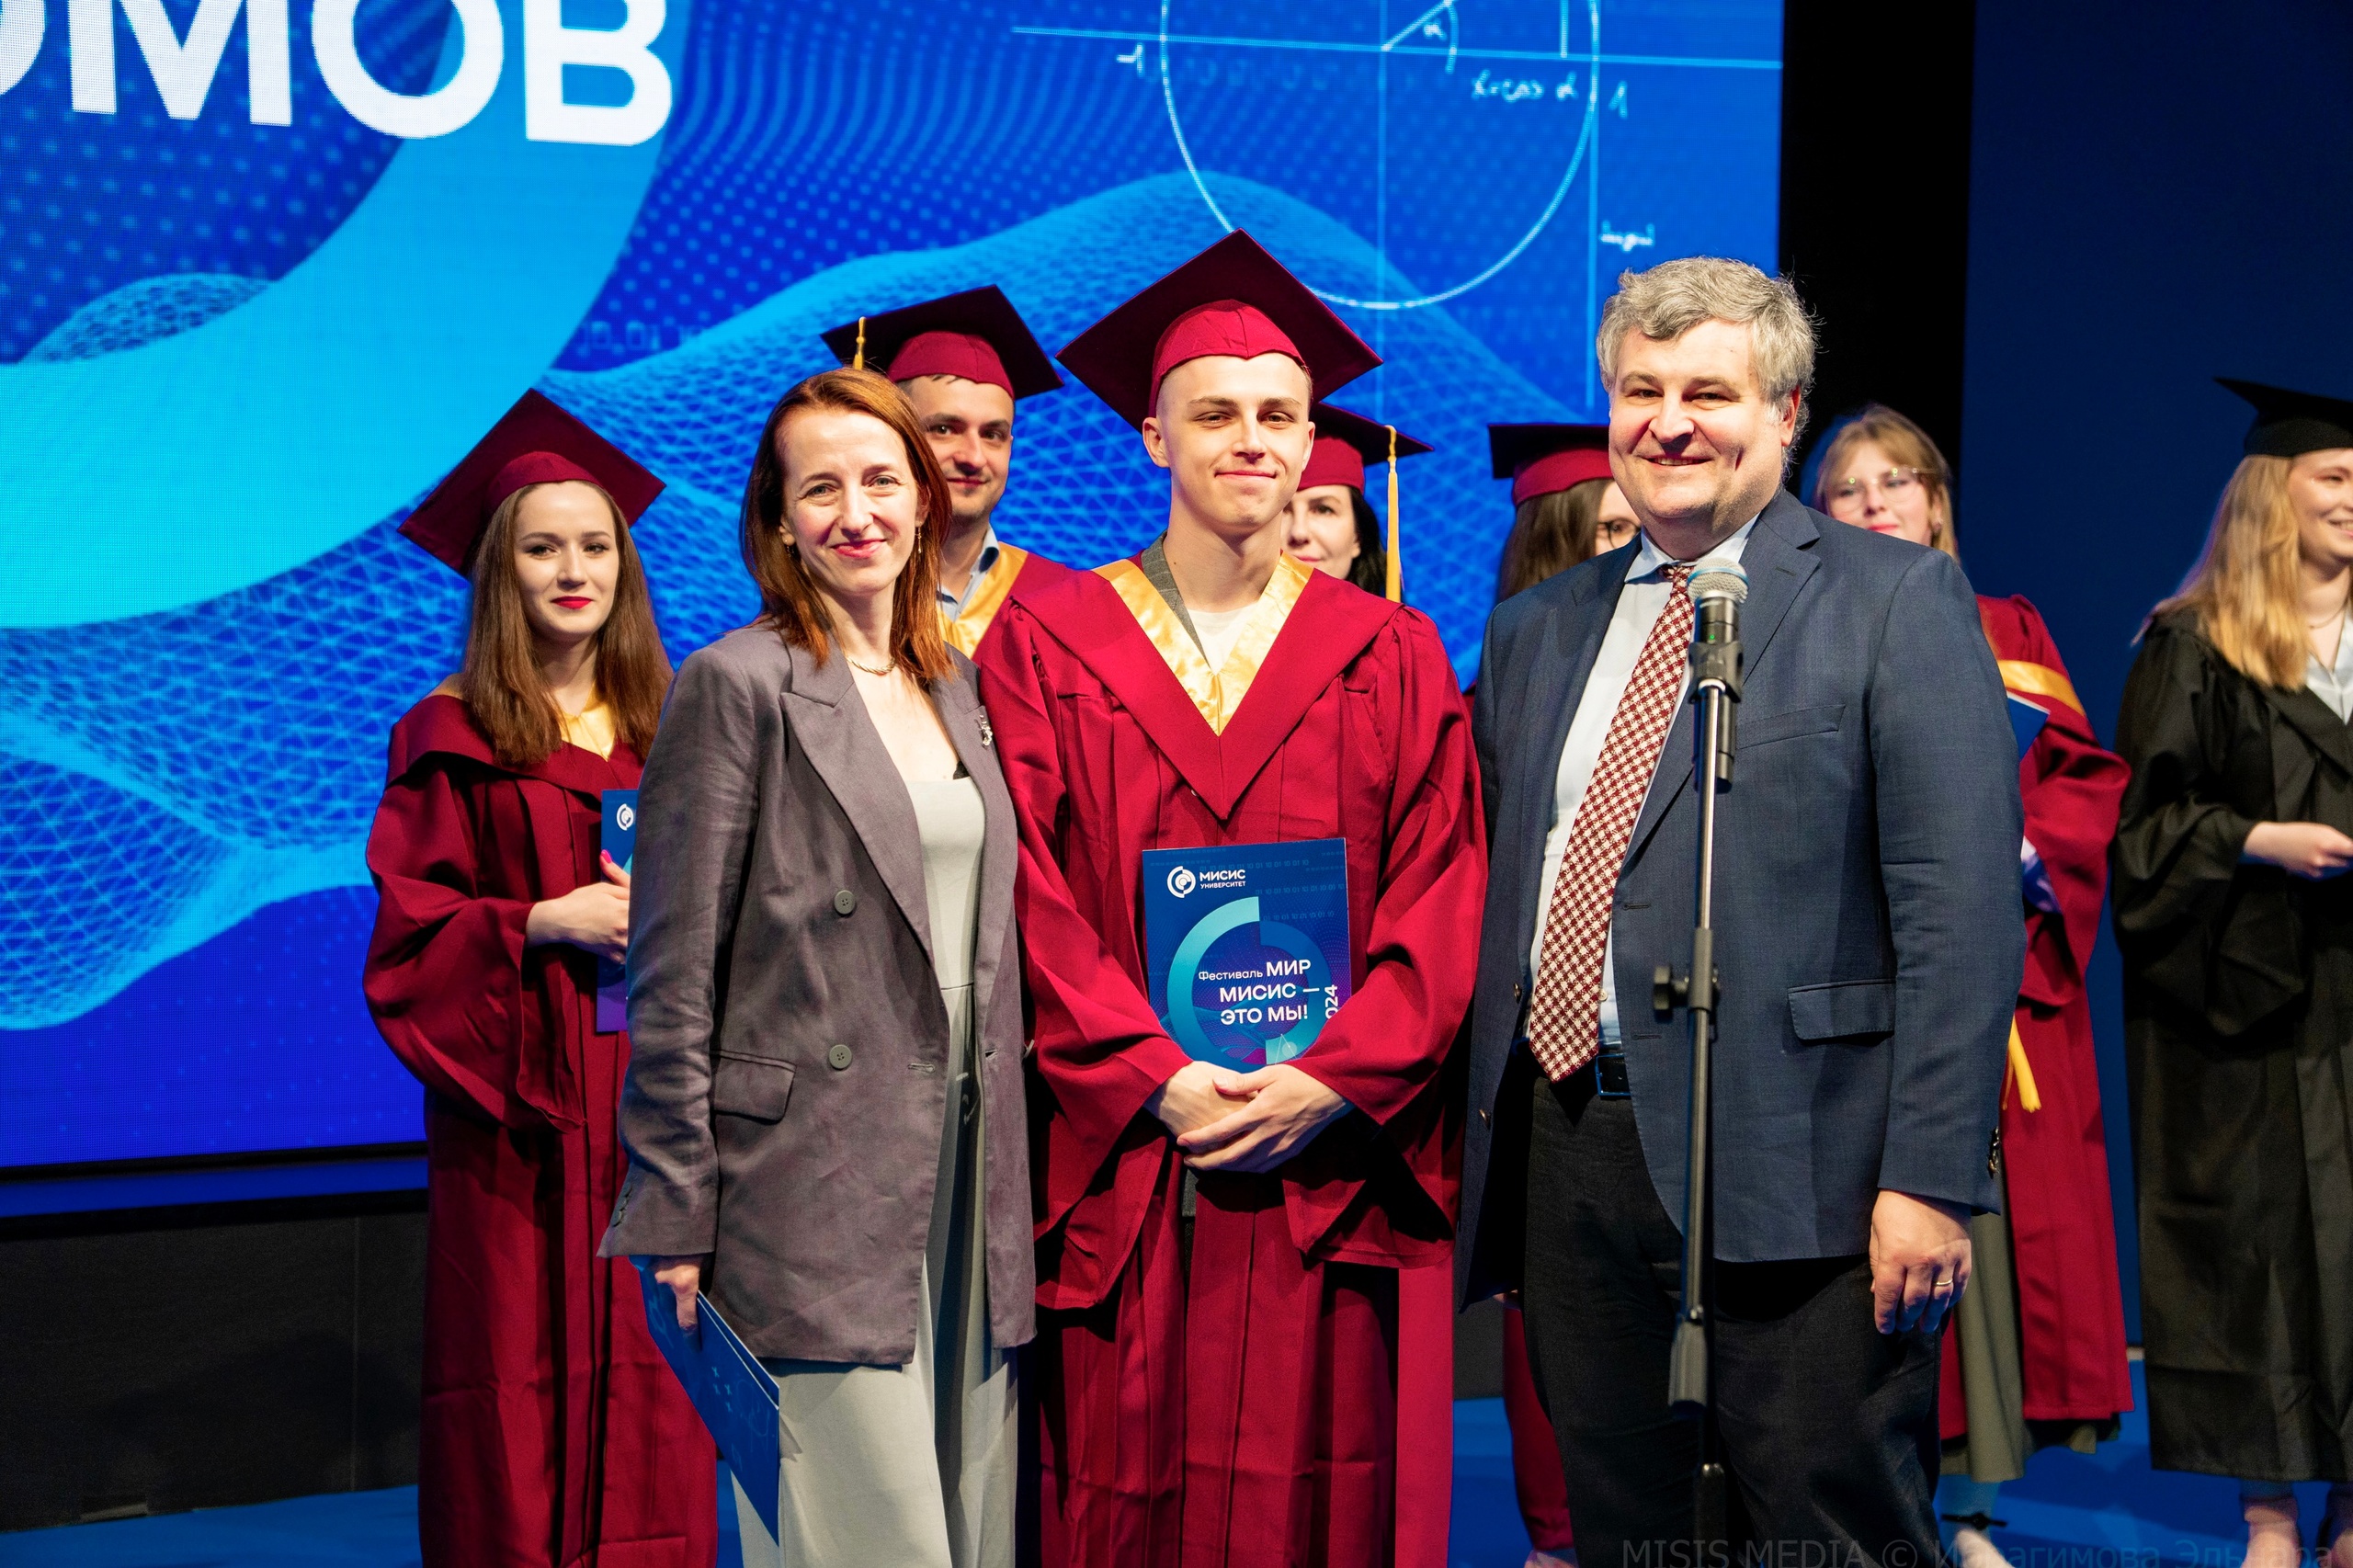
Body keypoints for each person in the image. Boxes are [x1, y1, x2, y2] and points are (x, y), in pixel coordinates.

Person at [1460, 256, 2025, 1560]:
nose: (1668, 423)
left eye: (1708, 393)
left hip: (1810, 1163)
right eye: (1640, 390)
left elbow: (1958, 913)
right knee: (1631, 1528)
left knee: (1831, 1529)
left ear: (1783, 412)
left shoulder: (1894, 599)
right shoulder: (1538, 629)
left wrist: (1932, 1176)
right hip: (1575, 1149)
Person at [975, 231, 1485, 1568]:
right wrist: (1150, 1074)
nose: (1251, 440)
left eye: (1277, 413)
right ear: (1153, 436)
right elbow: (1023, 891)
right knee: (1118, 1488)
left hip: (1318, 1154)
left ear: (1311, 437)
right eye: (1214, 413)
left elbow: (1441, 891)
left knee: (1315, 1487)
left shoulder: (1391, 652)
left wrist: (1334, 1075)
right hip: (1135, 1152)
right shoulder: (1050, 640)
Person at [597, 366, 1035, 1568]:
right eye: (821, 488)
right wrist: (676, 1200)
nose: (857, 513)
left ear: (924, 496)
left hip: (970, 1166)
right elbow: (673, 969)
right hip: (814, 1179)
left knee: (971, 1531)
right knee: (869, 1542)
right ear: (780, 519)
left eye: (881, 480)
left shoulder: (958, 683)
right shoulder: (735, 682)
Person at [362, 390, 714, 1568]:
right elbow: (408, 942)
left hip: (660, 1102)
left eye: (595, 546)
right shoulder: (450, 734)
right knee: (510, 1380)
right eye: (543, 547)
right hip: (519, 1112)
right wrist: (538, 920)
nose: (574, 571)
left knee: (657, 1379)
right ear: (498, 571)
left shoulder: (674, 724)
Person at [1813, 403, 2133, 1568]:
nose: (1875, 503)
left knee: (1981, 1260)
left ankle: (1969, 1509)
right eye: (1847, 489)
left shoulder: (2004, 625)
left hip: (1993, 990)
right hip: (1854, 979)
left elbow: (2082, 778)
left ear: (1937, 501)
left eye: (1896, 481)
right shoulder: (1809, 625)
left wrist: (2014, 849)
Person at [2112, 377, 2353, 1568]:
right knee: (2255, 1253)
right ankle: (2267, 1511)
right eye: (2335, 476)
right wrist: (2258, 839)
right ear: (2273, 491)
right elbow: (2141, 836)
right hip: (2247, 1000)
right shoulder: (2193, 645)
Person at [822, 286, 1070, 653]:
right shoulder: (837, 597)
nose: (974, 457)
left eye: (992, 435)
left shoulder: (1064, 598)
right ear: (892, 435)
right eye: (944, 429)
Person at [1282, 401, 1430, 593]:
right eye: (1280, 510)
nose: (1299, 533)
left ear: (1358, 537)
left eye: (1324, 510)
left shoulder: (1391, 616)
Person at [1489, 423, 1641, 601]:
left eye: (1644, 531)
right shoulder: (1510, 620)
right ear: (1551, 538)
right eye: (1617, 528)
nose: (1638, 548)